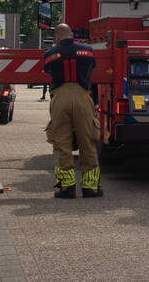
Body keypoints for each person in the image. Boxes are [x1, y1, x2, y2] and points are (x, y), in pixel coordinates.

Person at [43, 23, 102, 199]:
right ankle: (90, 188)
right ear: (71, 34)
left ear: (57, 37)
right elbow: (92, 67)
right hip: (83, 97)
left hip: (60, 97)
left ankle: (67, 188)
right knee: (88, 142)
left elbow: (47, 70)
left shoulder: (49, 54)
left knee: (62, 143)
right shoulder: (88, 51)